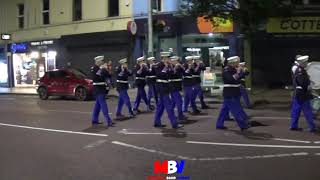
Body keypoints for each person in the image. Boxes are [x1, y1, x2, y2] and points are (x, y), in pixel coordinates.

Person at [216, 56, 249, 131]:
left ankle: (219, 124)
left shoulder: (234, 69)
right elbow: (231, 79)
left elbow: (244, 75)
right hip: (229, 93)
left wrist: (244, 71)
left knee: (224, 110)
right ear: (232, 63)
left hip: (235, 92)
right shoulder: (226, 70)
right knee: (235, 110)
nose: (238, 64)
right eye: (236, 62)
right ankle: (243, 125)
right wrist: (238, 72)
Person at [154, 52, 183, 129]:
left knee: (161, 106)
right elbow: (159, 74)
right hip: (161, 87)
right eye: (167, 58)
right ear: (163, 58)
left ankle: (157, 121)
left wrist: (174, 67)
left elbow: (172, 74)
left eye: (169, 58)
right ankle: (174, 123)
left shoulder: (169, 65)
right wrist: (166, 67)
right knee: (169, 106)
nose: (169, 60)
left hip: (166, 87)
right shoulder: (158, 65)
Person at [290, 55, 316, 132]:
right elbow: (302, 82)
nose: (307, 63)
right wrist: (308, 86)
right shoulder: (300, 70)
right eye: (305, 62)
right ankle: (312, 127)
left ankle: (293, 126)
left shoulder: (300, 69)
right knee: (307, 111)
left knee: (296, 110)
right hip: (302, 94)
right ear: (301, 62)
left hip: (298, 94)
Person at [90, 55, 114, 127]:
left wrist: (108, 68)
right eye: (102, 61)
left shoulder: (101, 69)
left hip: (101, 89)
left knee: (97, 106)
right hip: (98, 89)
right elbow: (96, 78)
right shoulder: (94, 68)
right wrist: (102, 69)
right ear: (98, 61)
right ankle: (108, 120)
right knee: (103, 105)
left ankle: (94, 120)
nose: (103, 62)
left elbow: (109, 76)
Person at [170, 56, 188, 122]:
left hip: (177, 86)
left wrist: (181, 66)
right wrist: (175, 67)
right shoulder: (170, 67)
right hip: (174, 86)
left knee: (174, 102)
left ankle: (173, 115)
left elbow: (185, 73)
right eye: (177, 61)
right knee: (179, 102)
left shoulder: (179, 66)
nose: (178, 62)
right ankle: (179, 116)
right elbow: (171, 74)